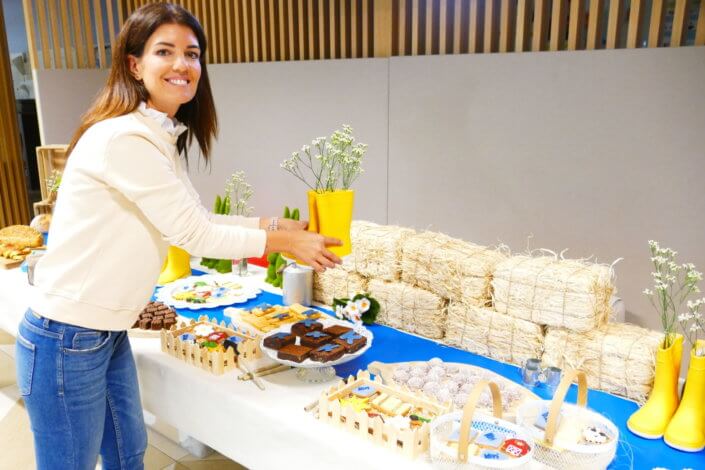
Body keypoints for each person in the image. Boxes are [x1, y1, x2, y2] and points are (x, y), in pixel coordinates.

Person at [15, 3, 341, 469]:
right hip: (66, 336)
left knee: (128, 456)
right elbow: (195, 235)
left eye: (192, 53)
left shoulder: (158, 135)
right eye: (164, 51)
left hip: (103, 333)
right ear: (134, 64)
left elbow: (197, 217)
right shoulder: (125, 138)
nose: (182, 65)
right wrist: (284, 244)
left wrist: (273, 226)